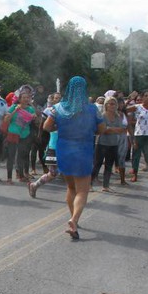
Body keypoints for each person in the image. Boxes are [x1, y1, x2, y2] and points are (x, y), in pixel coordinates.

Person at [43, 76, 106, 240]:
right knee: (83, 190)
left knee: (71, 188)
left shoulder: (58, 107)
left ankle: (74, 222)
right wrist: (90, 130)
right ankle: (74, 219)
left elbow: (46, 126)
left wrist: (61, 127)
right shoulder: (92, 109)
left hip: (64, 149)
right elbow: (102, 129)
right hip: (83, 149)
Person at [91, 97, 128, 192]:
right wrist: (112, 129)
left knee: (109, 165)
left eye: (114, 104)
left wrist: (110, 129)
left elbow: (121, 130)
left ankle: (105, 185)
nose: (112, 106)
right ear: (106, 105)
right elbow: (103, 130)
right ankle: (89, 184)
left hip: (113, 143)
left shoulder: (118, 117)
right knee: (97, 164)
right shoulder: (102, 116)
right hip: (102, 143)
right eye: (110, 103)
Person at [2, 86, 36, 184]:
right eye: (24, 98)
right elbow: (6, 119)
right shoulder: (14, 107)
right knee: (11, 156)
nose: (26, 99)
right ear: (19, 99)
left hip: (25, 135)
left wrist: (34, 116)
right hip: (13, 134)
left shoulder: (30, 109)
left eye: (27, 98)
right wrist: (15, 110)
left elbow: (36, 119)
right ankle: (9, 178)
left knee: (21, 156)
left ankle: (21, 176)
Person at [127, 91, 148, 183]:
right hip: (139, 134)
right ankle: (135, 175)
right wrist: (129, 100)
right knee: (136, 155)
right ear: (142, 98)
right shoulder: (137, 107)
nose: (147, 98)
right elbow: (123, 110)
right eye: (145, 96)